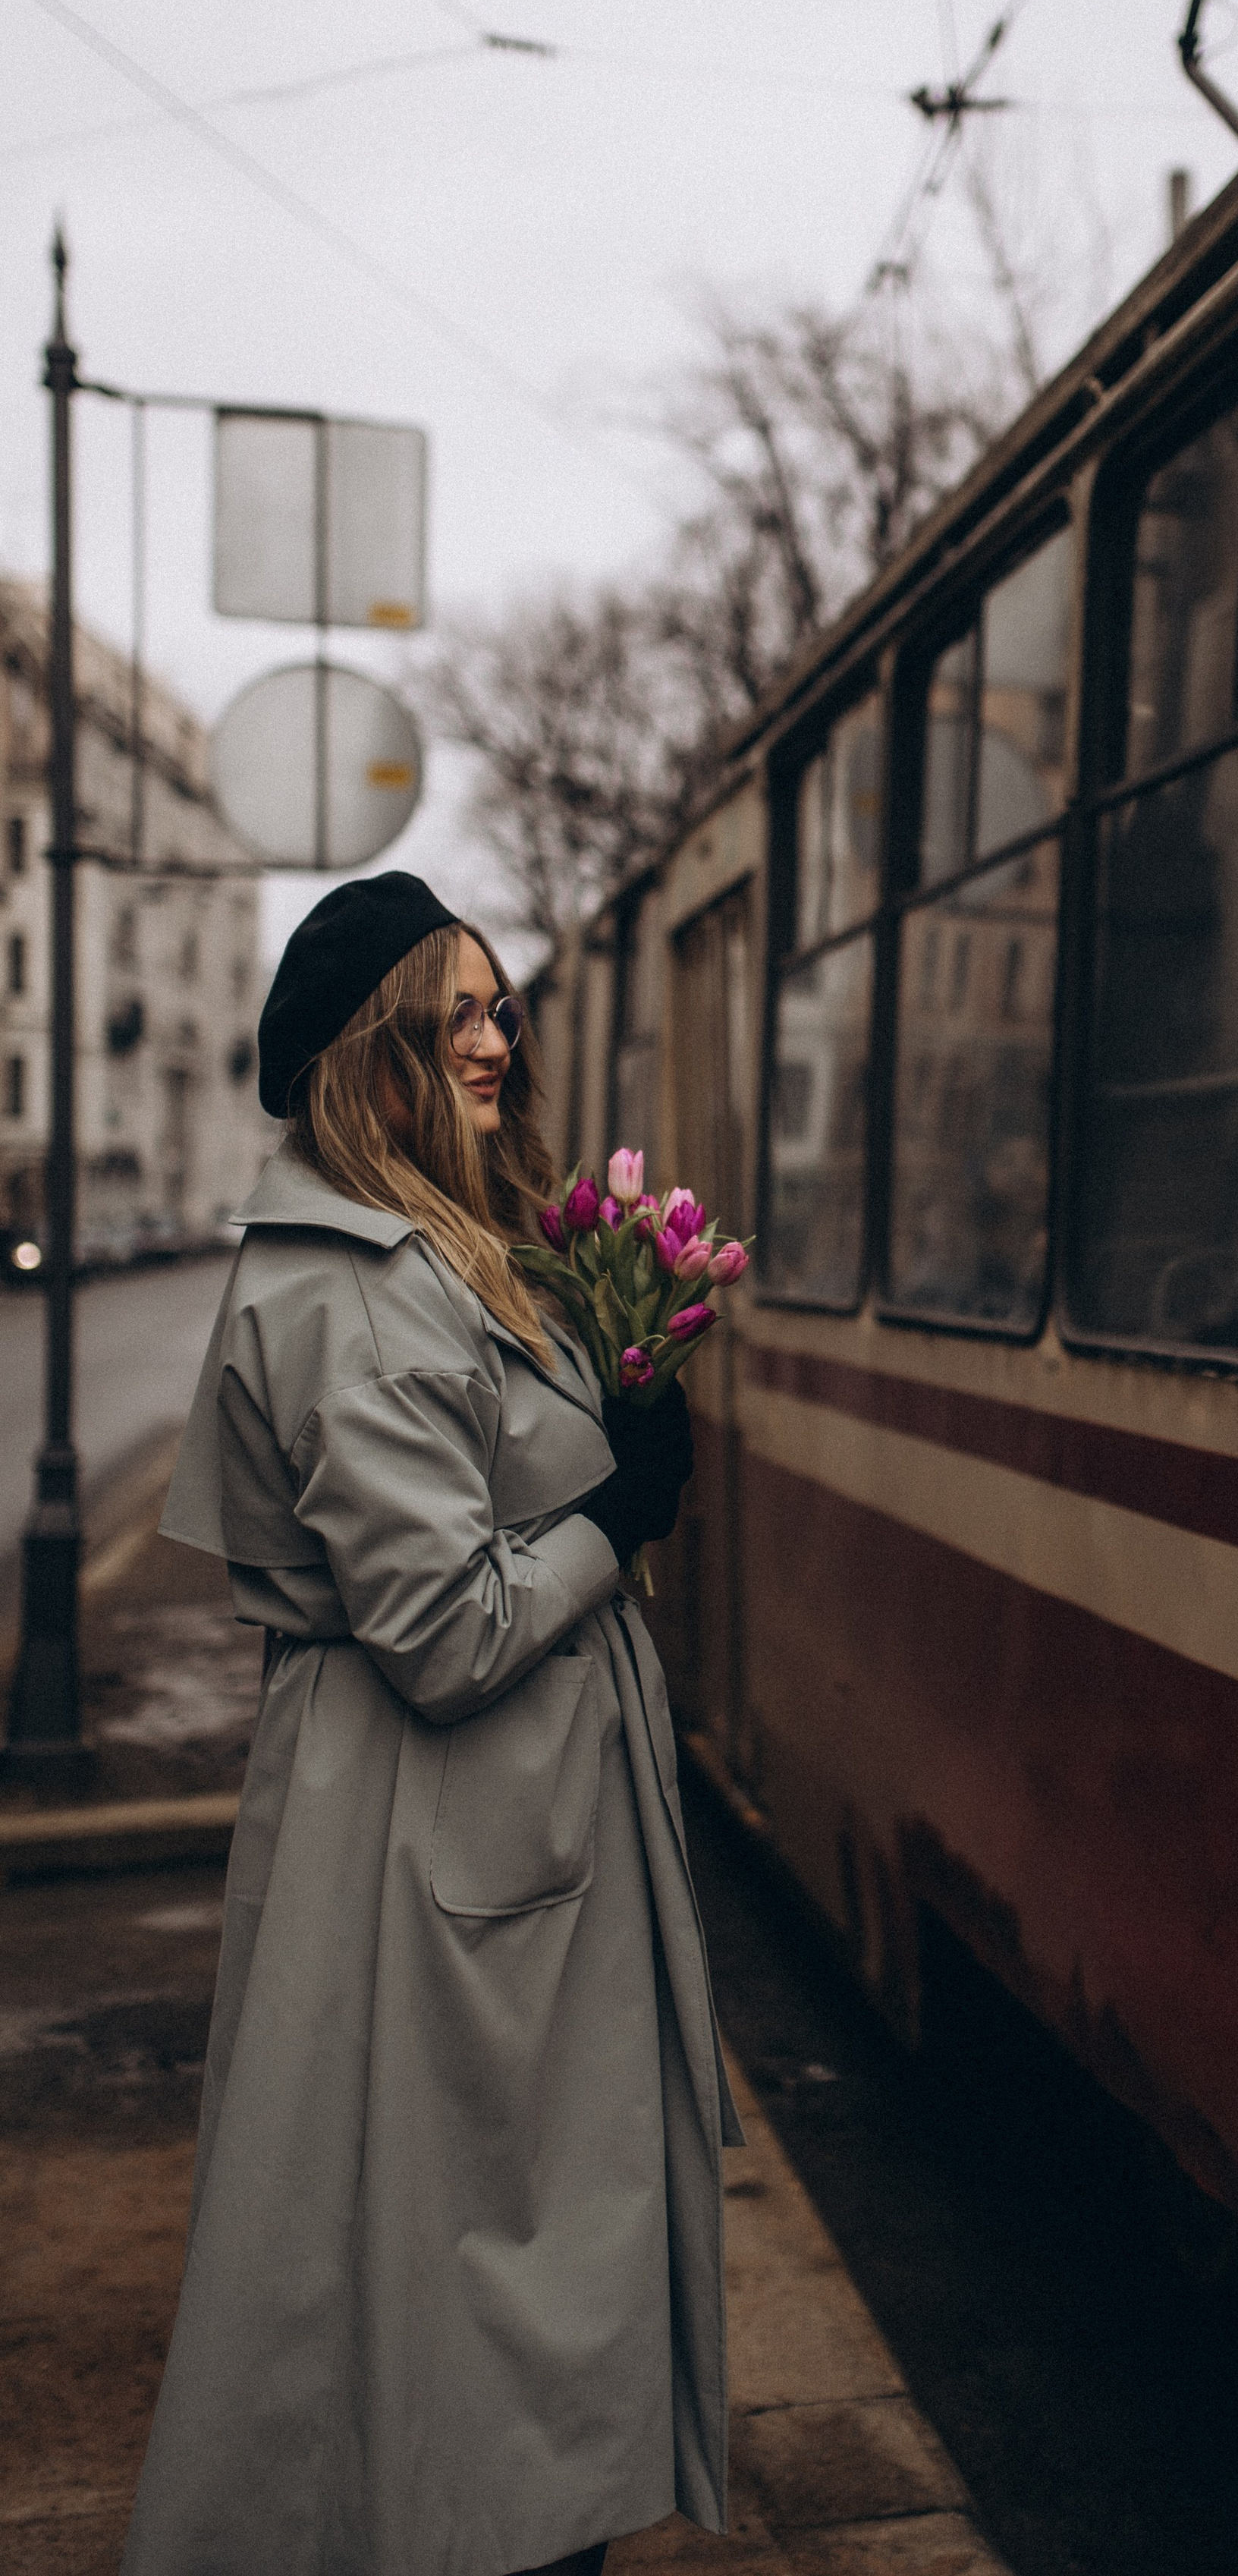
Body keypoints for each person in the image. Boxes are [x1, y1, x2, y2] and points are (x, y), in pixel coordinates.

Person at [121, 872, 740, 2576]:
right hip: (430, 1841)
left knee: (465, 2284)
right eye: (448, 1011)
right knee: (449, 2289)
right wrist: (614, 1517)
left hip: (476, 1839)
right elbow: (446, 1627)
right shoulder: (346, 1281)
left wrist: (601, 1406)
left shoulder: (444, 1246)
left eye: (494, 1005)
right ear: (365, 1048)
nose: (493, 1035)